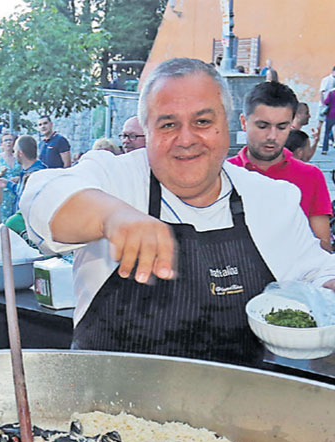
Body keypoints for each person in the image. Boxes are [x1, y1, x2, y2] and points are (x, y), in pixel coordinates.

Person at [21, 58, 335, 368]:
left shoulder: (270, 198)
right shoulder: (115, 177)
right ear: (147, 131)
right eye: (168, 124)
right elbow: (40, 197)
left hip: (233, 406)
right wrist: (112, 216)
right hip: (107, 405)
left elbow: (316, 275)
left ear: (227, 124)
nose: (186, 140)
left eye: (202, 122)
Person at [228, 81, 333, 252]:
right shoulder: (223, 175)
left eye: (282, 127)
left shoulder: (311, 175)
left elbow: (322, 245)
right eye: (262, 126)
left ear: (291, 125)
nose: (272, 136)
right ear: (244, 122)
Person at [0, 135, 46, 214]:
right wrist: (8, 184)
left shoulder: (35, 174)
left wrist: (11, 223)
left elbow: (30, 205)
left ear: (20, 153)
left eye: (15, 151)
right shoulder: (27, 171)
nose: (14, 154)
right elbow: (21, 191)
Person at [0, 131, 22, 221]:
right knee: (5, 220)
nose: (8, 142)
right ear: (2, 143)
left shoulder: (19, 156)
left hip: (17, 191)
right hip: (4, 193)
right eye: (6, 140)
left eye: (11, 140)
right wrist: (0, 173)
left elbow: (25, 172)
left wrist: (19, 178)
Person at [322, 87, 335, 156]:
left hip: (330, 115)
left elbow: (326, 102)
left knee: (327, 132)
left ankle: (324, 149)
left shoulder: (331, 93)